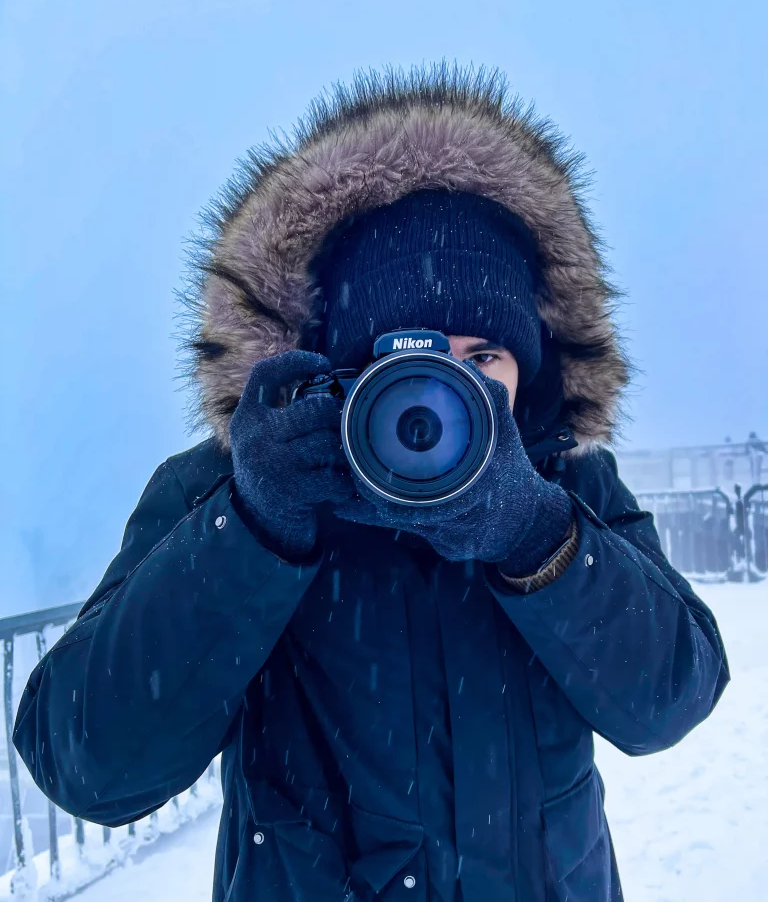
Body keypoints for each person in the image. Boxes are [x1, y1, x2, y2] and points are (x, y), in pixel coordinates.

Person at [14, 65, 729, 902]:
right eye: (415, 356)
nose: (449, 394)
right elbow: (90, 766)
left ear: (527, 371)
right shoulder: (234, 486)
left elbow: (670, 699)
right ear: (346, 365)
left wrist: (537, 536)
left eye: (484, 357)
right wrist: (254, 530)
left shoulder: (566, 484)